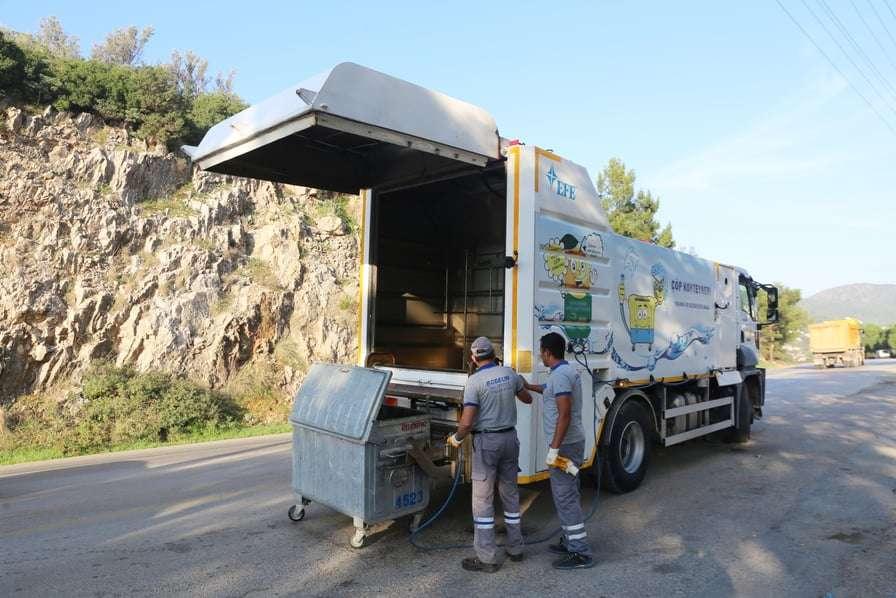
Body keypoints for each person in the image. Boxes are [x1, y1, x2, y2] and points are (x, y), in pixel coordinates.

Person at [447, 336, 533, 573]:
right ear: (494, 355)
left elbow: (466, 421)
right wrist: (519, 382)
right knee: (510, 494)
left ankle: (487, 558)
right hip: (509, 440)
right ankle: (516, 548)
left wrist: (456, 438)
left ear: (473, 359)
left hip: (487, 443)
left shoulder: (474, 382)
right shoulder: (509, 373)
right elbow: (528, 398)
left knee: (482, 500)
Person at [522, 332, 595, 570]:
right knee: (568, 492)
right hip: (569, 442)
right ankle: (570, 540)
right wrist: (527, 385)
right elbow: (548, 389)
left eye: (541, 351)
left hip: (565, 444)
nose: (540, 355)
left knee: (565, 497)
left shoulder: (562, 375)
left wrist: (554, 448)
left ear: (547, 352)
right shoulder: (562, 372)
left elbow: (564, 413)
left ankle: (580, 552)